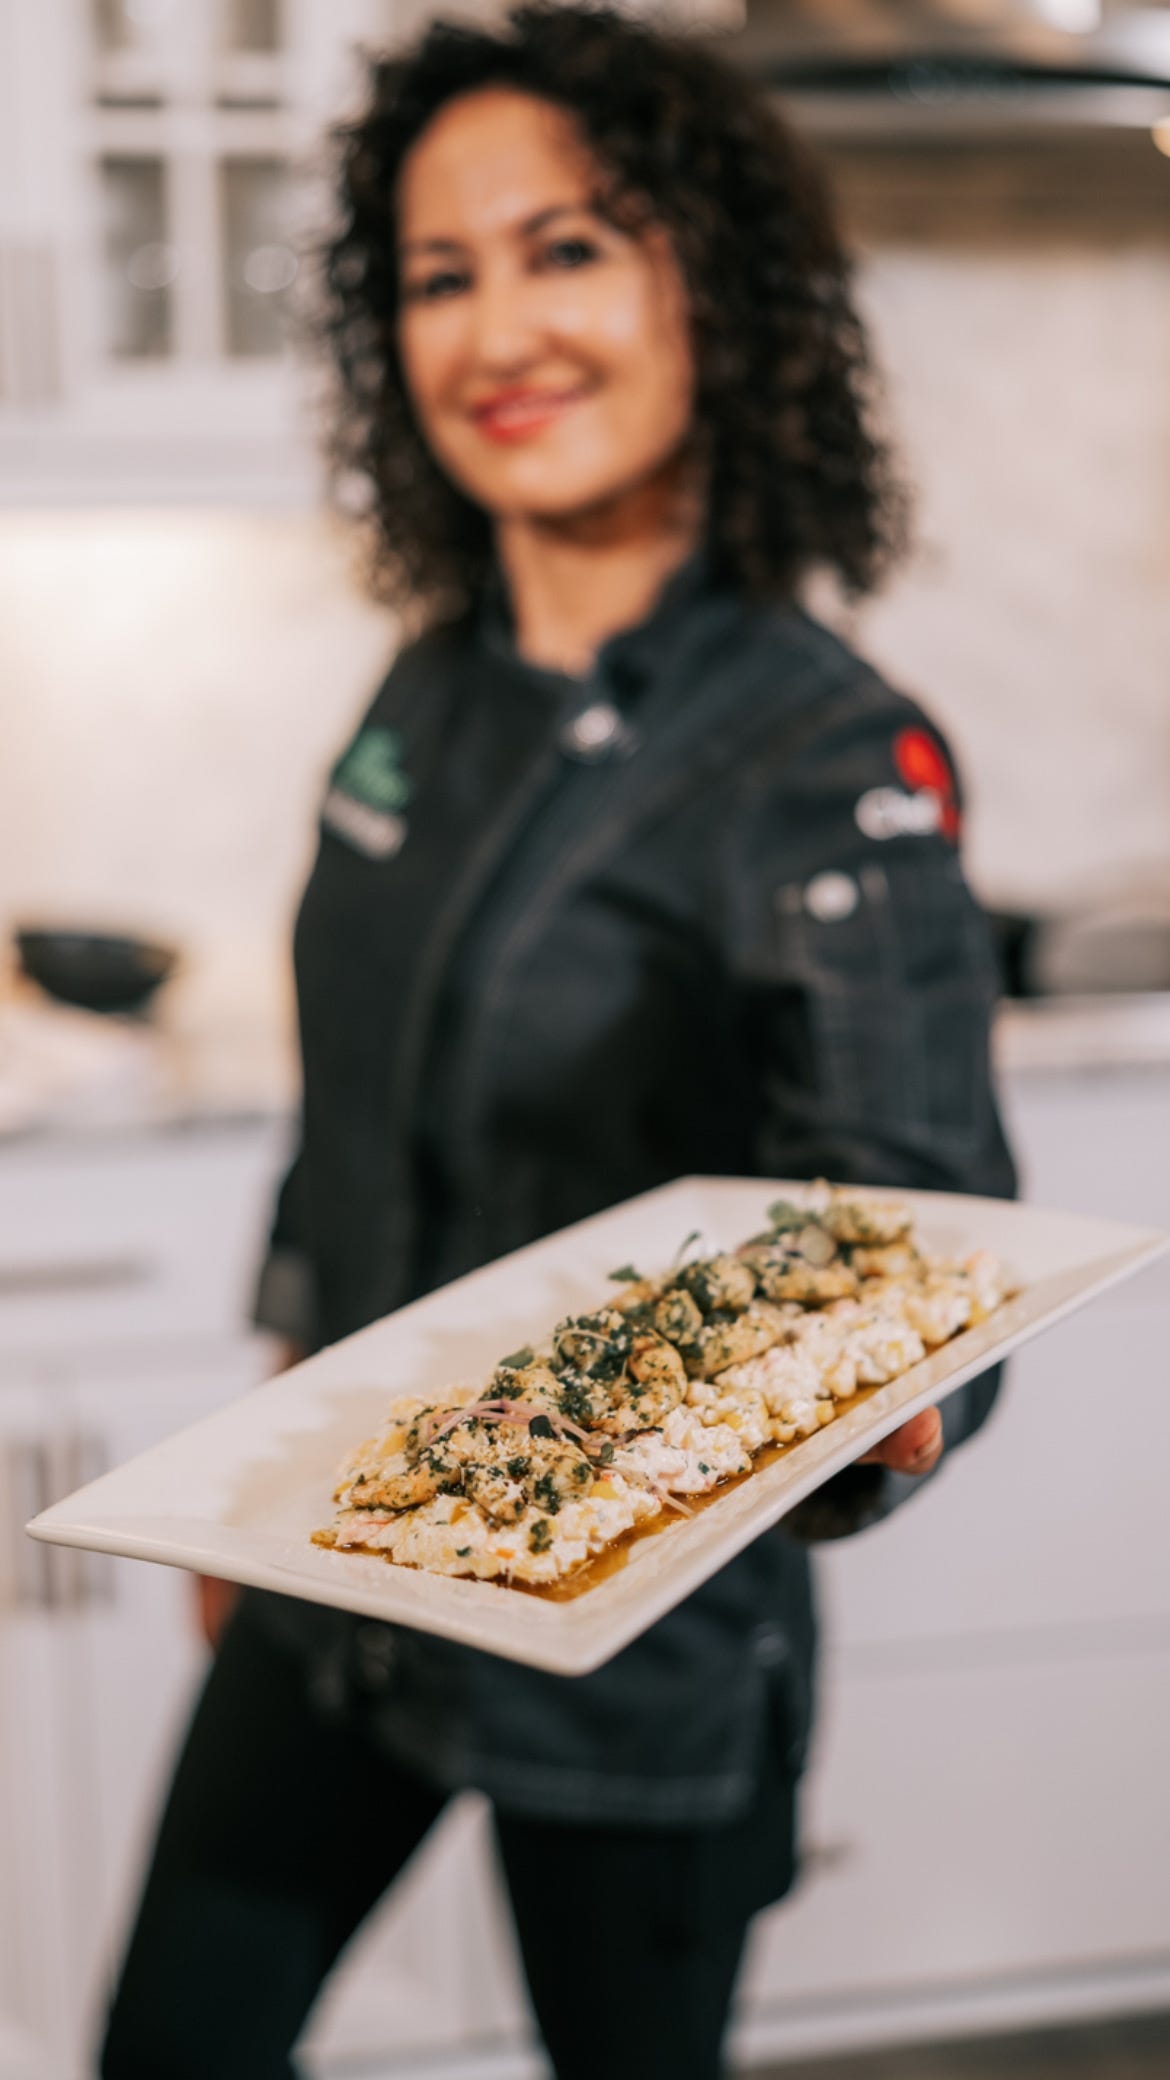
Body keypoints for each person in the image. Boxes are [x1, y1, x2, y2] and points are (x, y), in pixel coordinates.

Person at [100, 9, 1016, 2077]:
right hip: (334, 1560)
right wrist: (274, 1389)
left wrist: (877, 1426)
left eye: (573, 246)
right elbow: (359, 1108)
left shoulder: (821, 751)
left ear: (716, 287)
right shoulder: (431, 683)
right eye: (442, 273)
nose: (499, 324)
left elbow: (922, 1222)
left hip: (639, 1640)